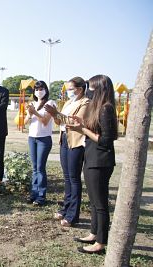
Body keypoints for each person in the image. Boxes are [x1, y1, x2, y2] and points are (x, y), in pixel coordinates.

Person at [68, 75, 118, 254]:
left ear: (100, 89)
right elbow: (96, 129)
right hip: (91, 158)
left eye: (92, 87)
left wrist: (82, 130)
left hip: (100, 161)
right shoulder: (98, 108)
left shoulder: (107, 109)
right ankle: (94, 233)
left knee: (100, 204)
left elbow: (105, 140)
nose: (89, 90)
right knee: (94, 202)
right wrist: (83, 123)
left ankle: (101, 243)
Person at [45, 77, 89, 226]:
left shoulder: (85, 102)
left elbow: (76, 122)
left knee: (74, 178)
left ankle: (72, 215)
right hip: (64, 139)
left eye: (71, 89)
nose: (69, 91)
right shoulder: (69, 103)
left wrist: (56, 113)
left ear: (80, 89)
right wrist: (54, 114)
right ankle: (66, 208)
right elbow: (59, 121)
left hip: (76, 141)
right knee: (67, 177)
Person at [24, 81, 55, 206]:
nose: (38, 91)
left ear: (46, 90)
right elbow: (25, 122)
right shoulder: (32, 103)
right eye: (36, 89)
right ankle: (34, 194)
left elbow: (45, 121)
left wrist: (35, 112)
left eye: (41, 89)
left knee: (40, 168)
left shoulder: (50, 103)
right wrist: (30, 114)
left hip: (44, 139)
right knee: (34, 168)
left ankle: (41, 196)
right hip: (32, 138)